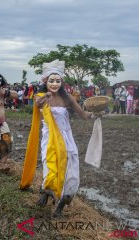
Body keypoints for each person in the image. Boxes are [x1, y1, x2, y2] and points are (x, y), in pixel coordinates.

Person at [19, 59, 99, 217]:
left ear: (61, 82)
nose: (54, 84)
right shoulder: (41, 96)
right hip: (50, 140)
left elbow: (83, 115)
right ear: (45, 81)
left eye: (57, 81)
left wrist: (96, 114)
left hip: (67, 138)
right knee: (50, 168)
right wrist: (46, 96)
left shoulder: (67, 97)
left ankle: (60, 206)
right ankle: (47, 192)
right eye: (51, 81)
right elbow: (38, 103)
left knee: (71, 172)